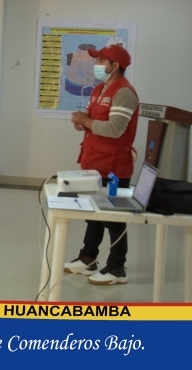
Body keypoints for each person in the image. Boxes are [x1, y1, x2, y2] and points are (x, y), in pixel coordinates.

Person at [65, 44, 139, 285]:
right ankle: (88, 258)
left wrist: (87, 122)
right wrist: (82, 122)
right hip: (93, 163)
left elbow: (115, 129)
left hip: (113, 167)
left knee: (114, 219)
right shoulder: (99, 89)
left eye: (100, 61)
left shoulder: (125, 93)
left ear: (114, 66)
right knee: (93, 215)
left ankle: (117, 268)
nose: (96, 65)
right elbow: (93, 120)